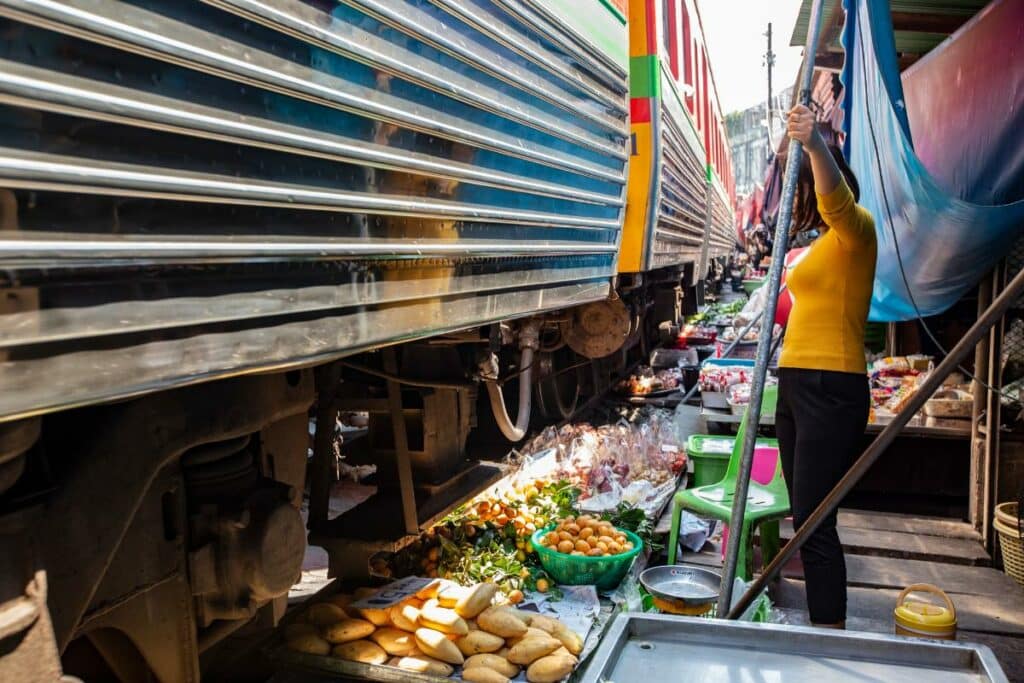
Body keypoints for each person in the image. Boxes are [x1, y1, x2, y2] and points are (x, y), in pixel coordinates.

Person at [775, 104, 877, 628]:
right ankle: (822, 628)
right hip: (795, 386)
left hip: (830, 388)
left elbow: (834, 200)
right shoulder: (821, 247)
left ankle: (827, 636)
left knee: (815, 527)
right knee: (805, 520)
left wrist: (815, 143)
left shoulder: (857, 231)